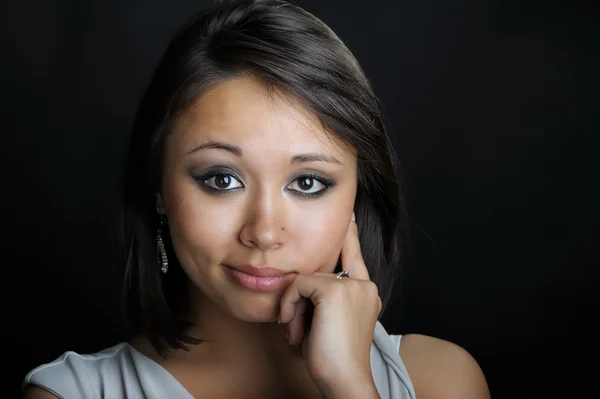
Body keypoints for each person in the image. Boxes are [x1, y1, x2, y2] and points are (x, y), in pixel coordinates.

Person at [22, 0, 490, 398]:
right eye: (222, 179)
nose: (264, 231)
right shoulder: (73, 394)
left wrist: (350, 386)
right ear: (159, 191)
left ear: (356, 196)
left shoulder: (439, 379)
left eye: (307, 183)